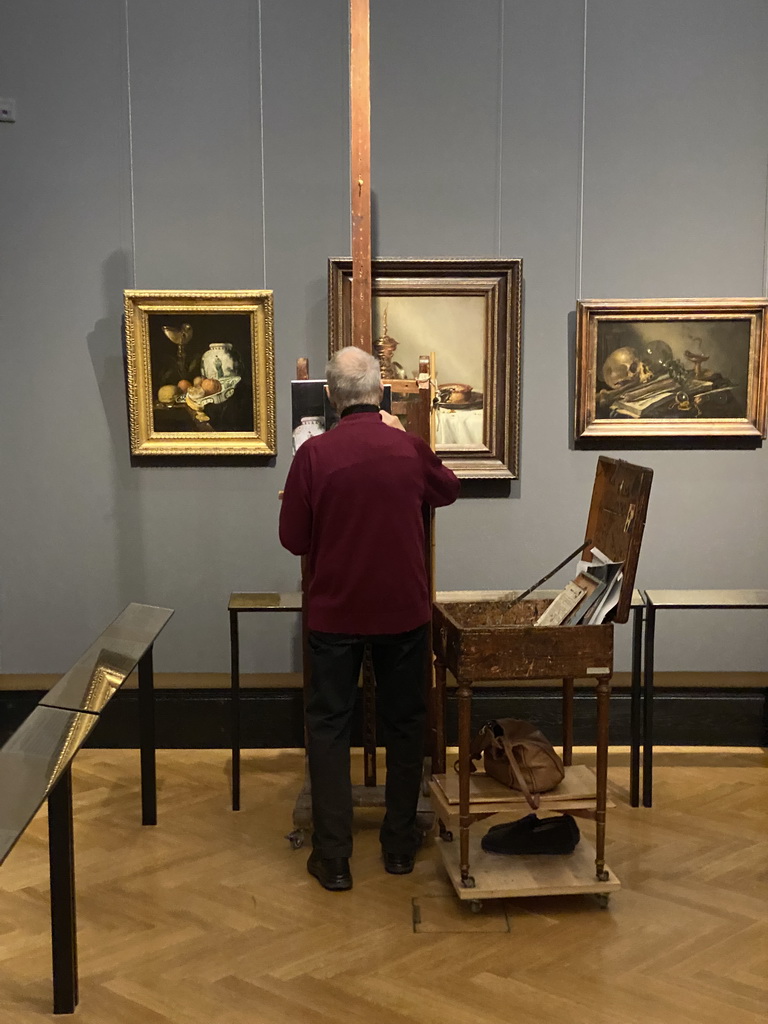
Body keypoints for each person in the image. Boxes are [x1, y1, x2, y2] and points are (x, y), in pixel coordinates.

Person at [279, 347, 460, 891]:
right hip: (402, 611)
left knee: (330, 728)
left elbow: (293, 539)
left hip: (335, 612)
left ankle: (333, 856)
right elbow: (448, 489)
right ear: (380, 392)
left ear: (331, 397)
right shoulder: (407, 448)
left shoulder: (313, 456)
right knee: (407, 725)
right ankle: (399, 846)